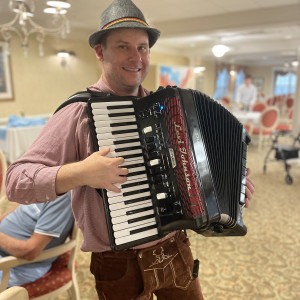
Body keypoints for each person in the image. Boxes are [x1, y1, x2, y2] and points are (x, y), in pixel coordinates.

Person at [5, 0, 255, 299]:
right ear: (100, 52)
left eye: (142, 48)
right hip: (118, 261)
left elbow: (201, 170)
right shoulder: (79, 112)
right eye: (123, 46)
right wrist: (80, 173)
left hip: (175, 248)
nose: (136, 57)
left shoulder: (172, 111)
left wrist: (234, 185)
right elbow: (15, 181)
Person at [0, 192, 74, 287]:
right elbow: (19, 209)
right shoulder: (44, 183)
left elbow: (30, 251)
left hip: (16, 267)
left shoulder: (61, 198)